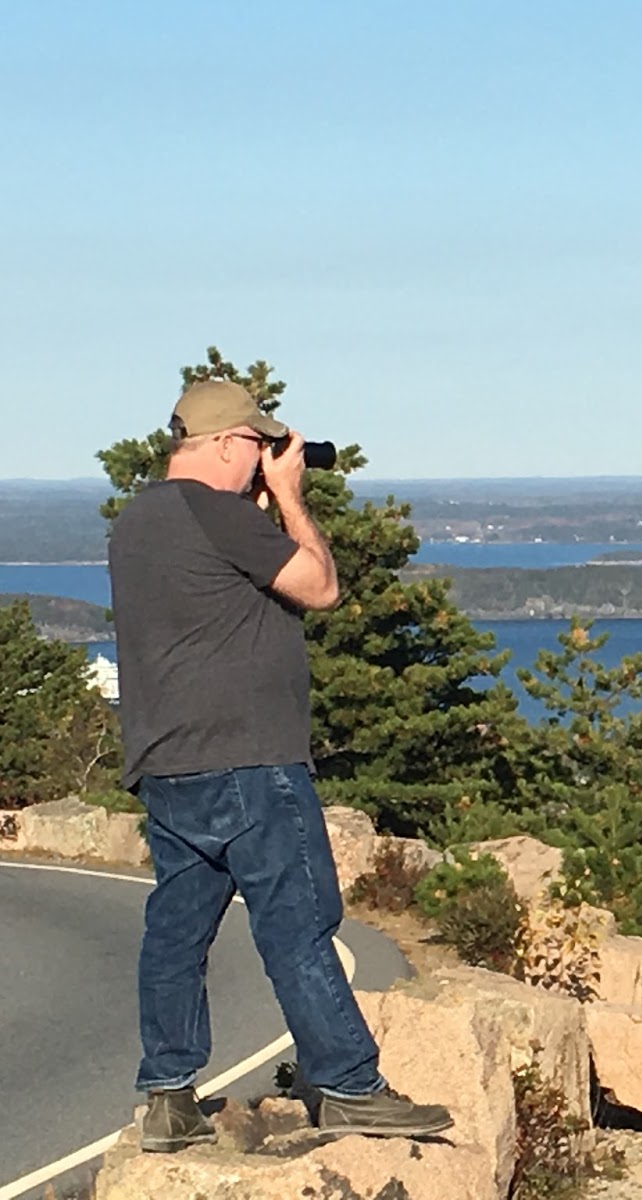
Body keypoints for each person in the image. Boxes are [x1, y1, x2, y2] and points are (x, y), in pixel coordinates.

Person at [108, 379, 453, 1152]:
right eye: (259, 447)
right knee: (298, 926)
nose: (266, 460)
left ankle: (168, 1094)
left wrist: (252, 518)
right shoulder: (220, 514)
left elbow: (221, 608)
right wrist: (292, 500)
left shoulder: (139, 521)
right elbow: (319, 587)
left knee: (177, 928)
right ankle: (349, 1085)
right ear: (230, 443)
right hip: (251, 760)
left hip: (169, 764)